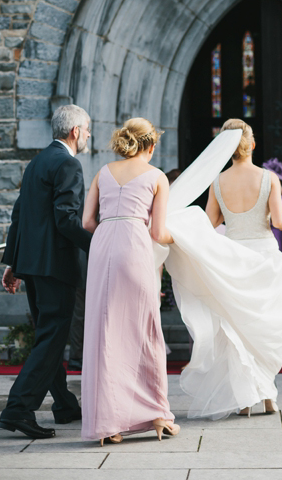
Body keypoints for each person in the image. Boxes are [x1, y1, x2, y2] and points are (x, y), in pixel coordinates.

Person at [161, 119, 282, 419]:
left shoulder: (217, 181)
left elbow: (209, 224)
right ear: (251, 144)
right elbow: (279, 223)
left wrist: (183, 232)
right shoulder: (268, 178)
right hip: (263, 258)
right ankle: (264, 395)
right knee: (263, 325)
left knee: (236, 328)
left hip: (233, 257)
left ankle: (252, 396)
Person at [80, 119, 178, 445]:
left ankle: (110, 425)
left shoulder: (102, 172)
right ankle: (158, 415)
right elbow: (158, 233)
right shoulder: (157, 177)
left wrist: (112, 230)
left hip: (103, 245)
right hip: (135, 245)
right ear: (151, 145)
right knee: (145, 330)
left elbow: (87, 221)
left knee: (105, 332)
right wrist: (181, 239)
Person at [0, 105, 93, 439]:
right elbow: (66, 219)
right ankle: (18, 410)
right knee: (52, 339)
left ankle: (65, 404)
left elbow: (20, 215)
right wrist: (98, 246)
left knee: (47, 338)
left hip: (34, 267)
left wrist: (14, 264)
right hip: (56, 267)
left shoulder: (36, 163)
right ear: (75, 131)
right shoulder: (68, 164)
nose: (88, 136)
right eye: (87, 130)